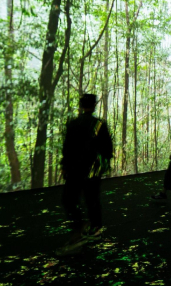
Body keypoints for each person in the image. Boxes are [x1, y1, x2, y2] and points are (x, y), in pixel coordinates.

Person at [57, 94, 113, 255]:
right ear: (94, 106)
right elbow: (108, 149)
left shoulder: (74, 124)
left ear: (81, 106)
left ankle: (80, 228)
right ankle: (94, 229)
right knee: (92, 198)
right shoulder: (99, 124)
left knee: (69, 199)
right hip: (93, 169)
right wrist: (103, 165)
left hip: (75, 168)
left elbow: (67, 148)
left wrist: (65, 166)